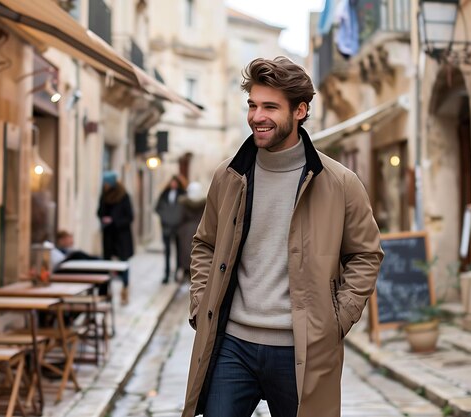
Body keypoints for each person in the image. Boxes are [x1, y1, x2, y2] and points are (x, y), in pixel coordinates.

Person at [182, 57, 383, 417]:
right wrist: (201, 302)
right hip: (231, 345)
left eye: (270, 107)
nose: (257, 116)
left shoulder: (339, 183)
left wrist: (336, 319)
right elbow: (205, 245)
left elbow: (366, 254)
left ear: (300, 111)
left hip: (301, 351)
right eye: (253, 105)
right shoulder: (228, 177)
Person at [97, 171, 134, 305]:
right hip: (109, 236)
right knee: (106, 264)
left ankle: (124, 290)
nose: (105, 185)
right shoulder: (104, 195)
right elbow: (99, 211)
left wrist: (114, 221)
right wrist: (104, 219)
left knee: (123, 264)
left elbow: (129, 217)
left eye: (107, 183)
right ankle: (106, 291)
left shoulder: (124, 196)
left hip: (121, 236)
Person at [155, 175, 186, 283]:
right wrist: (165, 218)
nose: (173, 184)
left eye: (175, 182)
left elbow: (184, 210)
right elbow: (158, 208)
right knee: (167, 251)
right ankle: (166, 274)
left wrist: (178, 219)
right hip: (167, 227)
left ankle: (177, 273)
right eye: (172, 182)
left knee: (178, 251)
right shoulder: (164, 195)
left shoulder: (182, 194)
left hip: (178, 227)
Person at [177, 181, 206, 282]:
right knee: (198, 252)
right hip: (200, 230)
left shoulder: (184, 203)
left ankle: (187, 272)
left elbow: (180, 217)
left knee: (187, 253)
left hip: (186, 232)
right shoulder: (204, 203)